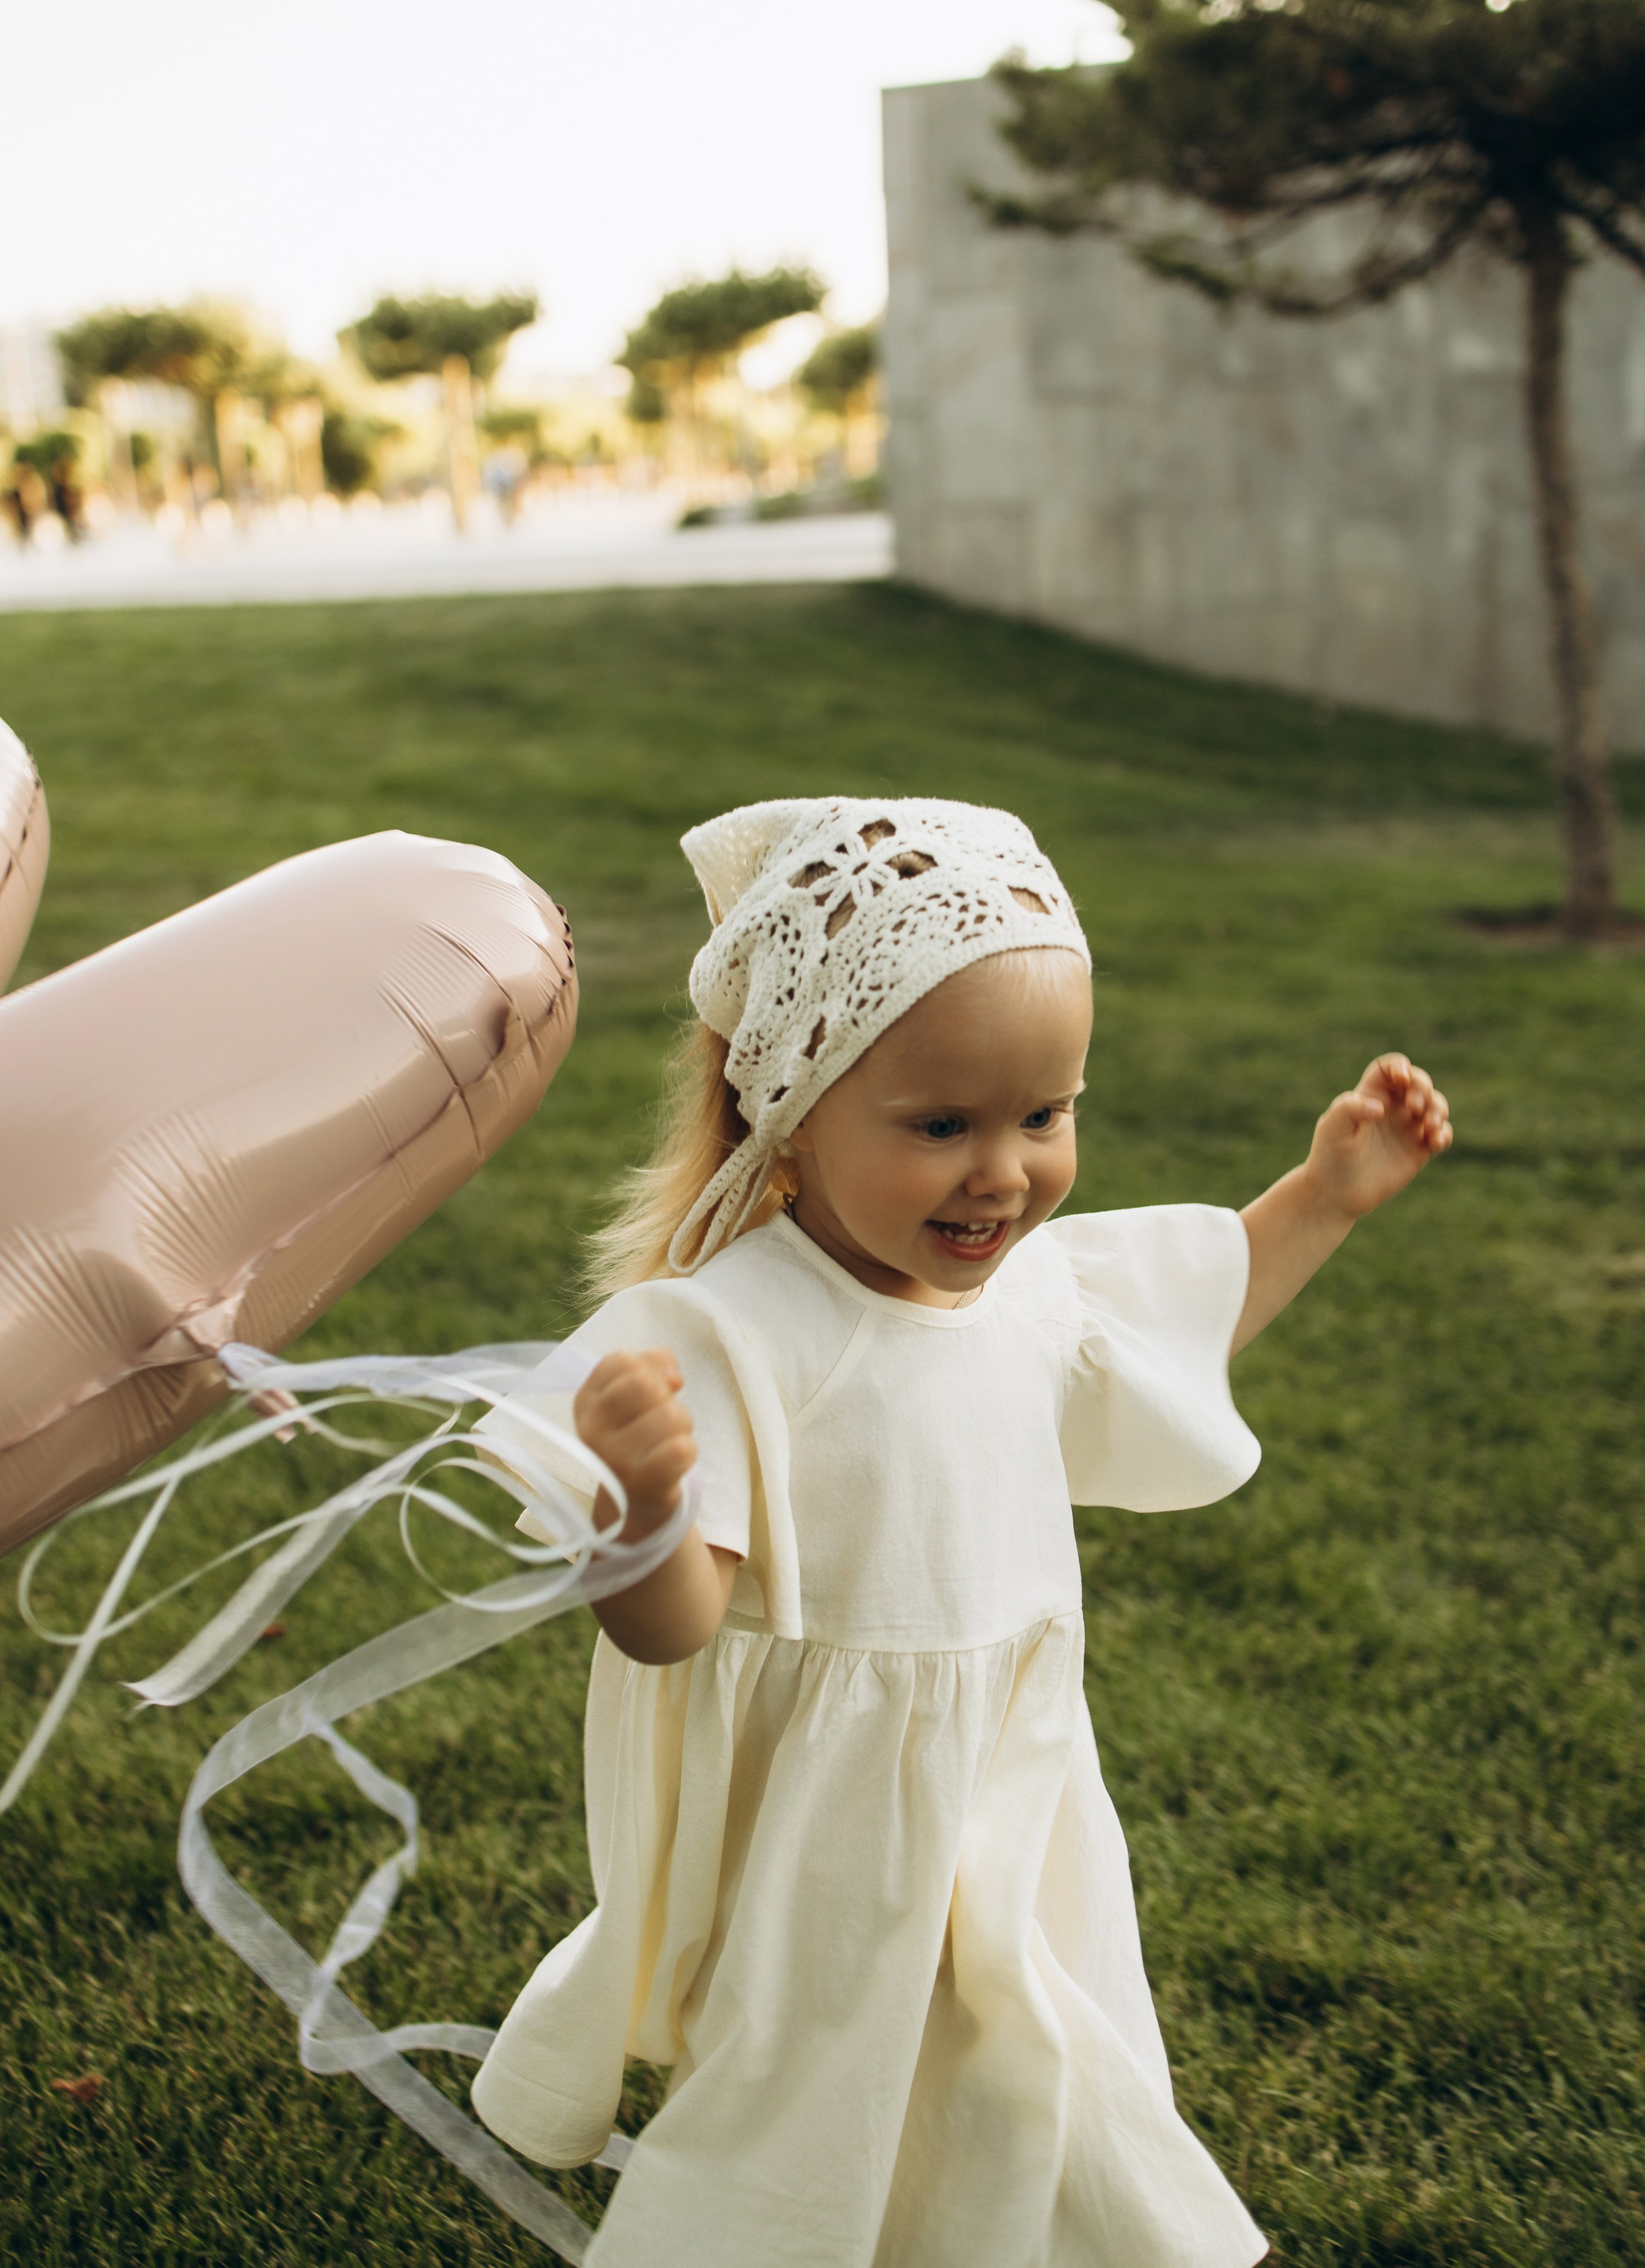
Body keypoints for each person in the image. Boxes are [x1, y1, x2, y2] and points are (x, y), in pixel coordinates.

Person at [471, 796, 1452, 2268]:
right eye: (943, 1126)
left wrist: (1321, 1198)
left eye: (1044, 1115)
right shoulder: (734, 1332)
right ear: (786, 1117)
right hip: (836, 1830)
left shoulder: (1030, 1294)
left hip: (1015, 1783)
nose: (1003, 1170)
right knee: (816, 2100)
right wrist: (640, 1508)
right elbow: (669, 1627)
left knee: (1038, 2064)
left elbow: (1190, 1309)